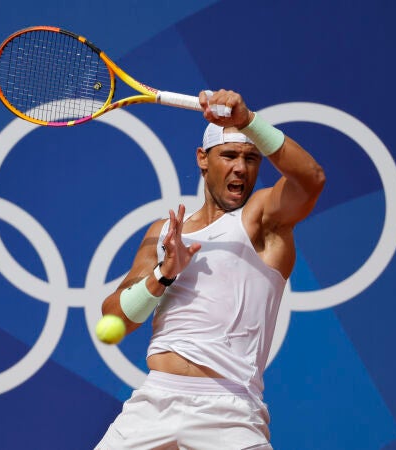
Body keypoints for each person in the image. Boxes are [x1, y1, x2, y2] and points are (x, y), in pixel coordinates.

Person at [95, 89, 325, 450]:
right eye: (230, 155)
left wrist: (247, 121)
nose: (241, 167)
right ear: (203, 159)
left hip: (229, 412)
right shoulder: (164, 232)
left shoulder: (262, 220)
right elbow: (115, 318)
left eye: (251, 158)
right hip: (154, 404)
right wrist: (163, 274)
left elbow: (311, 179)